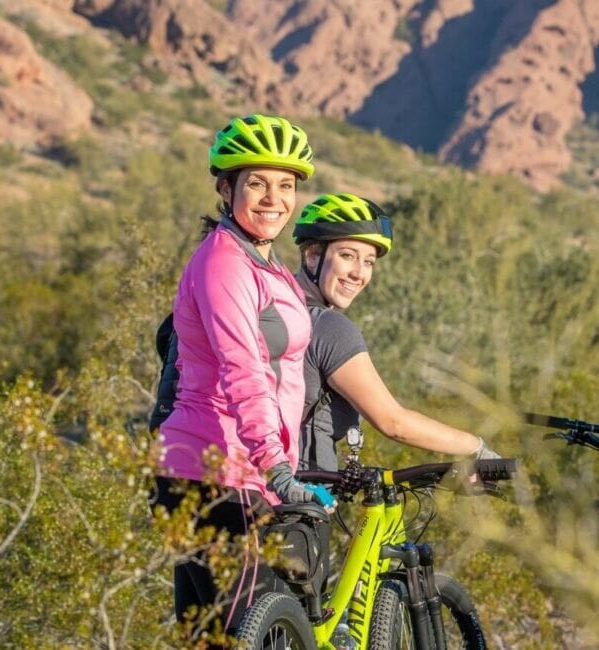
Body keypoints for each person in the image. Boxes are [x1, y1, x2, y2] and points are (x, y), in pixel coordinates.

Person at [152, 114, 334, 635]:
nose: (273, 198)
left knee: (212, 637)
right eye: (257, 183)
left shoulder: (268, 266)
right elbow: (243, 368)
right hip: (217, 470)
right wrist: (276, 467)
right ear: (226, 187)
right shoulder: (224, 263)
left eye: (286, 185)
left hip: (242, 468)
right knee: (241, 631)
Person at [287, 193, 499, 472]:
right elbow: (393, 423)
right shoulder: (328, 327)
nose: (358, 274)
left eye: (369, 262)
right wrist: (476, 449)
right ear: (313, 256)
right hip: (300, 496)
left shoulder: (275, 307)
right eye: (348, 256)